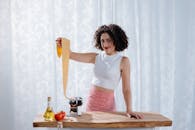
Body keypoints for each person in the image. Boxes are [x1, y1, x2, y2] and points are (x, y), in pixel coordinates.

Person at [56, 24, 143, 119]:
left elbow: (126, 89)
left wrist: (129, 110)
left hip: (108, 105)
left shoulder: (123, 61)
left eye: (108, 40)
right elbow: (71, 55)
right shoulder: (96, 57)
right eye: (102, 41)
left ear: (116, 40)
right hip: (92, 102)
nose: (105, 44)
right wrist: (63, 44)